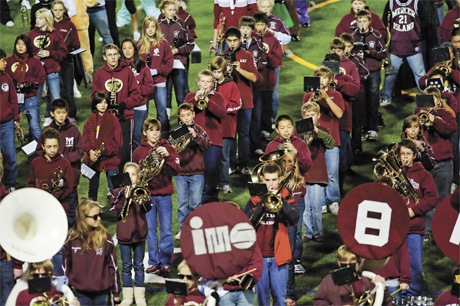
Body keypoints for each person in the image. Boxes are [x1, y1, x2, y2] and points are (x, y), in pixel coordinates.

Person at [244, 163, 299, 306]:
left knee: (279, 298)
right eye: (267, 180)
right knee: (262, 298)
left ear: (280, 179)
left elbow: (294, 219)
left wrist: (281, 204)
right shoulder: (255, 199)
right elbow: (246, 223)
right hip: (259, 257)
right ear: (262, 179)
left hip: (279, 256)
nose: (271, 184)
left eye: (274, 180)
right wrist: (262, 204)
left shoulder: (286, 195)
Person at [132, 119, 181, 277]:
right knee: (150, 230)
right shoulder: (138, 152)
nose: (154, 133)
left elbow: (177, 169)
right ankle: (153, 261)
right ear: (145, 133)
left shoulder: (168, 148)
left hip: (165, 195)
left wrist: (168, 157)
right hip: (147, 196)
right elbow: (134, 174)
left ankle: (166, 262)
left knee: (166, 230)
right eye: (151, 130)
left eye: (157, 130)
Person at [396, 139, 438, 296]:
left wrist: (414, 211)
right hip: (396, 227)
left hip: (414, 227)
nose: (405, 157)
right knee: (397, 264)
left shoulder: (423, 174)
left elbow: (432, 198)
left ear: (414, 155)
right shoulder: (396, 173)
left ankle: (413, 297)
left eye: (408, 154)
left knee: (415, 265)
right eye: (402, 154)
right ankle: (397, 296)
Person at [92, 43, 143, 172]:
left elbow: (136, 94)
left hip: (124, 117)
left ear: (119, 55)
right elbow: (94, 97)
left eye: (115, 54)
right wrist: (105, 106)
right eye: (110, 55)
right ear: (104, 57)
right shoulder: (99, 74)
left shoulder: (127, 71)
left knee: (124, 151)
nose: (113, 58)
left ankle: (125, 186)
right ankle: (113, 188)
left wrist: (123, 105)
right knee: (109, 152)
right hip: (106, 119)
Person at [416, 86, 457, 239]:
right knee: (426, 197)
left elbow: (450, 129)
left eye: (431, 99)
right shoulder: (420, 114)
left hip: (445, 163)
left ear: (438, 100)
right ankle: (427, 230)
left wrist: (435, 120)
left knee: (443, 197)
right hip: (426, 163)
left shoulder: (447, 115)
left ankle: (441, 230)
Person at [35, 98, 84, 227]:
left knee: (72, 207)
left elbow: (80, 151)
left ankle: (71, 233)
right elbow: (39, 150)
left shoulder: (73, 130)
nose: (61, 115)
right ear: (52, 113)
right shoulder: (47, 130)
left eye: (63, 112)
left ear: (67, 113)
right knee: (54, 206)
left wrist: (64, 158)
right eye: (58, 112)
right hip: (52, 178)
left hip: (71, 177)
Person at [303, 66, 344, 215]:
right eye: (319, 77)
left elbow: (339, 114)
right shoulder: (309, 95)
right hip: (313, 140)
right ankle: (320, 201)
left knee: (332, 173)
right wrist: (311, 97)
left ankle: (332, 200)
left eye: (325, 77)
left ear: (330, 80)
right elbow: (304, 113)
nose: (322, 81)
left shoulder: (336, 95)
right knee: (317, 172)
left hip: (332, 138)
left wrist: (326, 98)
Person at [63, 199, 121, 305]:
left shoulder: (105, 237)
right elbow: (65, 266)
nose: (99, 219)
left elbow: (113, 266)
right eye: (95, 216)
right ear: (83, 218)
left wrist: (116, 293)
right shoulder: (71, 238)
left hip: (102, 294)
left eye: (100, 215)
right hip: (79, 293)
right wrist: (66, 291)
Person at [110, 162, 151, 306]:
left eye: (134, 174)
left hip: (139, 234)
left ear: (138, 177)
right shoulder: (117, 192)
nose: (131, 177)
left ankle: (140, 296)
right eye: (128, 174)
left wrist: (139, 195)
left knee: (139, 265)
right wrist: (124, 197)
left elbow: (148, 208)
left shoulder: (142, 190)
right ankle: (127, 296)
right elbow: (114, 212)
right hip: (124, 235)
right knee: (126, 266)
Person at [184, 70, 226, 203]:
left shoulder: (218, 97)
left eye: (208, 82)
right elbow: (183, 113)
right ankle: (197, 199)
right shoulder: (191, 96)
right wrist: (195, 100)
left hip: (213, 141)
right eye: (203, 81)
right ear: (198, 82)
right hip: (194, 141)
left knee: (212, 169)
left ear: (212, 84)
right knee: (196, 171)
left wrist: (208, 101)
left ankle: (209, 198)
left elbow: (222, 113)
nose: (205, 85)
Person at [222, 27, 258, 175]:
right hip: (228, 102)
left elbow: (254, 78)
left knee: (243, 134)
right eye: (229, 41)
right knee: (230, 135)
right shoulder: (222, 56)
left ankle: (243, 164)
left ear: (239, 40)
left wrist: (239, 69)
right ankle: (231, 164)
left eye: (235, 40)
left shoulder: (247, 55)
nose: (232, 43)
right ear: (225, 41)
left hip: (245, 102)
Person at [380, 0, 427, 106]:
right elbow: (384, 23)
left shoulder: (416, 2)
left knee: (420, 74)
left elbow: (425, 22)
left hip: (413, 46)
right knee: (391, 74)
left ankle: (426, 98)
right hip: (395, 47)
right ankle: (386, 97)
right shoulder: (391, 3)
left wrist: (418, 38)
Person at [173, 103, 210, 237]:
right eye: (183, 116)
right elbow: (172, 150)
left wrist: (195, 135)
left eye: (188, 115)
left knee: (195, 204)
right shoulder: (176, 131)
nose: (186, 118)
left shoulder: (199, 129)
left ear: (193, 114)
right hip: (181, 173)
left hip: (197, 173)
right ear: (179, 117)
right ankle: (183, 229)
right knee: (182, 204)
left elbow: (206, 144)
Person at [301, 102, 335, 243]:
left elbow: (331, 143)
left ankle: (318, 232)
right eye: (307, 115)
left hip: (317, 175)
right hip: (302, 175)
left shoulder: (323, 129)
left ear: (318, 116)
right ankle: (308, 232)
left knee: (316, 206)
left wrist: (317, 131)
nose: (309, 117)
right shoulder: (299, 131)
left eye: (312, 115)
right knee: (304, 207)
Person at [313, 245, 391, 305]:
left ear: (359, 263)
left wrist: (383, 289)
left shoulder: (368, 281)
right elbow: (318, 301)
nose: (347, 268)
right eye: (344, 265)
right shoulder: (329, 281)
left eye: (351, 265)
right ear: (338, 263)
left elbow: (385, 302)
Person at [27, 8, 67, 126]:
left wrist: (50, 53)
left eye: (40, 18)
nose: (37, 20)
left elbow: (63, 53)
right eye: (37, 18)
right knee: (36, 101)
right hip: (36, 74)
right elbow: (26, 54)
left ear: (47, 20)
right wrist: (33, 57)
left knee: (56, 99)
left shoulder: (55, 35)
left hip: (52, 72)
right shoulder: (31, 34)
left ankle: (58, 126)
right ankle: (35, 128)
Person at [352, 10, 386, 142]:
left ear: (369, 21)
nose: (362, 23)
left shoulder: (376, 35)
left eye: (364, 21)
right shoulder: (353, 35)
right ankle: (362, 128)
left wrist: (369, 52)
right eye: (359, 21)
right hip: (358, 73)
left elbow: (383, 53)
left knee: (372, 100)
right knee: (361, 102)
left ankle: (372, 129)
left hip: (373, 72)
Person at [251, 11, 283, 150]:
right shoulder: (250, 39)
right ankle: (255, 134)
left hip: (267, 82)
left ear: (265, 25)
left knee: (267, 109)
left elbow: (277, 61)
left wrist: (266, 55)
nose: (259, 27)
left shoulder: (272, 40)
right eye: (257, 24)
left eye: (261, 24)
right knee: (255, 111)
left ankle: (265, 132)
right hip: (253, 83)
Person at [82, 91, 123, 201]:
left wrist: (105, 151)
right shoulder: (91, 120)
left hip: (111, 159)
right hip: (94, 160)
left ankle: (119, 212)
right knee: (93, 187)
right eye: (100, 102)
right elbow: (85, 138)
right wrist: (90, 151)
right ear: (95, 104)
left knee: (114, 188)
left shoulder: (113, 120)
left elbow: (117, 141)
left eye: (105, 102)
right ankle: (92, 211)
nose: (103, 105)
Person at [5, 35, 46, 142]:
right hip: (12, 99)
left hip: (29, 97)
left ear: (28, 46)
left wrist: (28, 81)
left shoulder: (34, 62)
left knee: (34, 126)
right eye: (18, 44)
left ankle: (42, 150)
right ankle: (7, 151)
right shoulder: (8, 61)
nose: (20, 47)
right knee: (7, 127)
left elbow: (41, 78)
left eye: (23, 44)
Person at [137, 16, 174, 132]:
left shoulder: (163, 44)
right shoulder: (139, 44)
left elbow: (169, 64)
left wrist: (156, 71)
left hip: (159, 82)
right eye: (148, 27)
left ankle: (164, 137)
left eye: (153, 27)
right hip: (143, 85)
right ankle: (143, 138)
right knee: (143, 112)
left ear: (156, 28)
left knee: (162, 113)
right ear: (144, 29)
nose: (150, 30)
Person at [211, 56, 242, 193]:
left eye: (218, 72)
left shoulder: (231, 85)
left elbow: (238, 104)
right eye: (214, 71)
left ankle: (224, 182)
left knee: (224, 157)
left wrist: (221, 107)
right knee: (212, 156)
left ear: (224, 71)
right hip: (211, 127)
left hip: (226, 128)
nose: (215, 74)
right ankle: (213, 182)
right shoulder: (210, 84)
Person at [159, 0, 195, 114]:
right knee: (166, 94)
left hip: (179, 63)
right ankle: (165, 124)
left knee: (181, 95)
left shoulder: (181, 24)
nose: (172, 12)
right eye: (169, 10)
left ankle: (184, 122)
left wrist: (177, 50)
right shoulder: (158, 26)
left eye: (174, 10)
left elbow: (190, 43)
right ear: (163, 11)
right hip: (164, 64)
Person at [28, 128, 74, 215]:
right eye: (49, 146)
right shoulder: (36, 163)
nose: (52, 150)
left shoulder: (65, 163)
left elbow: (69, 187)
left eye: (55, 146)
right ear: (42, 146)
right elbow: (31, 184)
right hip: (39, 207)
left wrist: (56, 197)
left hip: (59, 207)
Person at [120, 37, 154, 150]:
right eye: (124, 48)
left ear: (134, 49)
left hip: (139, 107)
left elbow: (149, 87)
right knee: (124, 138)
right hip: (124, 107)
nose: (127, 51)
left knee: (136, 136)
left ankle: (137, 163)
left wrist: (135, 91)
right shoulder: (119, 67)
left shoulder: (142, 65)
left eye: (130, 48)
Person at [52, 0, 80, 120]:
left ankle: (72, 116)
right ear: (52, 11)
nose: (58, 12)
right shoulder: (49, 24)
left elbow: (76, 44)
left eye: (60, 10)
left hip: (66, 62)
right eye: (55, 10)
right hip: (52, 63)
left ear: (64, 10)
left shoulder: (70, 25)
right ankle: (57, 115)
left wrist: (66, 50)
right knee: (57, 92)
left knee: (68, 91)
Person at [0, 49, 19, 192]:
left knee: (10, 156)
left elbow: (13, 100)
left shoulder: (7, 78)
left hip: (7, 124)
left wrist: (16, 120)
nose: (5, 63)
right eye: (3, 60)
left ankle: (10, 184)